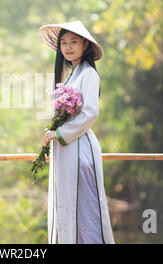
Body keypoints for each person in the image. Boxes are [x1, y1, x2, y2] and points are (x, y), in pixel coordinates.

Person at [38, 20, 115, 244]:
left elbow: (90, 113)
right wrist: (54, 132)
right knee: (70, 208)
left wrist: (60, 134)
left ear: (85, 46)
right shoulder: (73, 74)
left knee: (85, 209)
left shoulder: (88, 73)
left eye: (74, 42)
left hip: (80, 150)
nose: (68, 47)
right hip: (68, 149)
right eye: (63, 43)